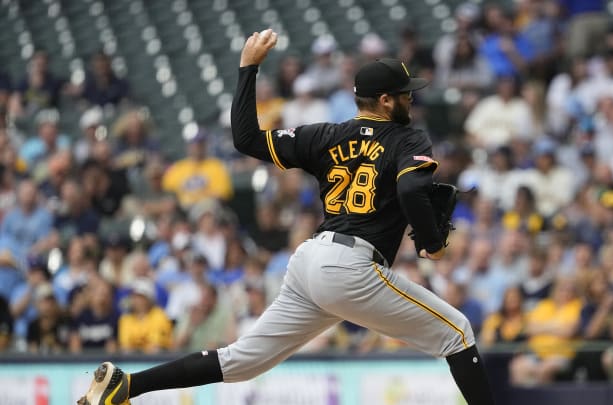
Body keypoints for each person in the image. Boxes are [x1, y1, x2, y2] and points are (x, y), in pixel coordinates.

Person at [78, 29, 495, 405]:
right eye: (405, 93)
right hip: (351, 267)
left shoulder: (324, 135)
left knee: (241, 361)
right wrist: (434, 243)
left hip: (310, 260)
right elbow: (409, 189)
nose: (410, 98)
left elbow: (244, 138)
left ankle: (127, 386)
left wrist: (248, 69)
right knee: (457, 332)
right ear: (385, 100)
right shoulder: (408, 137)